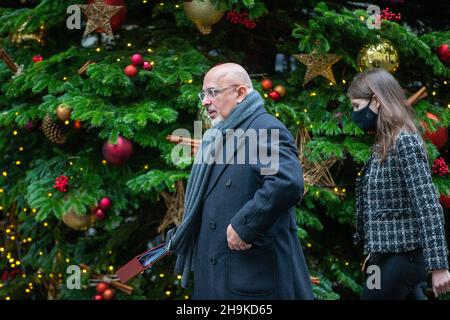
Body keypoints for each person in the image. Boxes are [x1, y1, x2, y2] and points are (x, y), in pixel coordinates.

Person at [168, 63, 313, 299]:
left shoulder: (263, 127)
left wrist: (245, 226)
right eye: (203, 94)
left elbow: (286, 182)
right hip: (217, 278)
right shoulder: (219, 135)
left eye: (213, 92)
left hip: (251, 280)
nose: (205, 101)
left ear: (240, 93)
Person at [349, 68, 450, 299]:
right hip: (378, 256)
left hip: (404, 256)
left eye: (356, 105)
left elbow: (427, 204)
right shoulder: (382, 144)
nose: (354, 113)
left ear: (376, 101)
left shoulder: (405, 141)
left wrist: (439, 265)